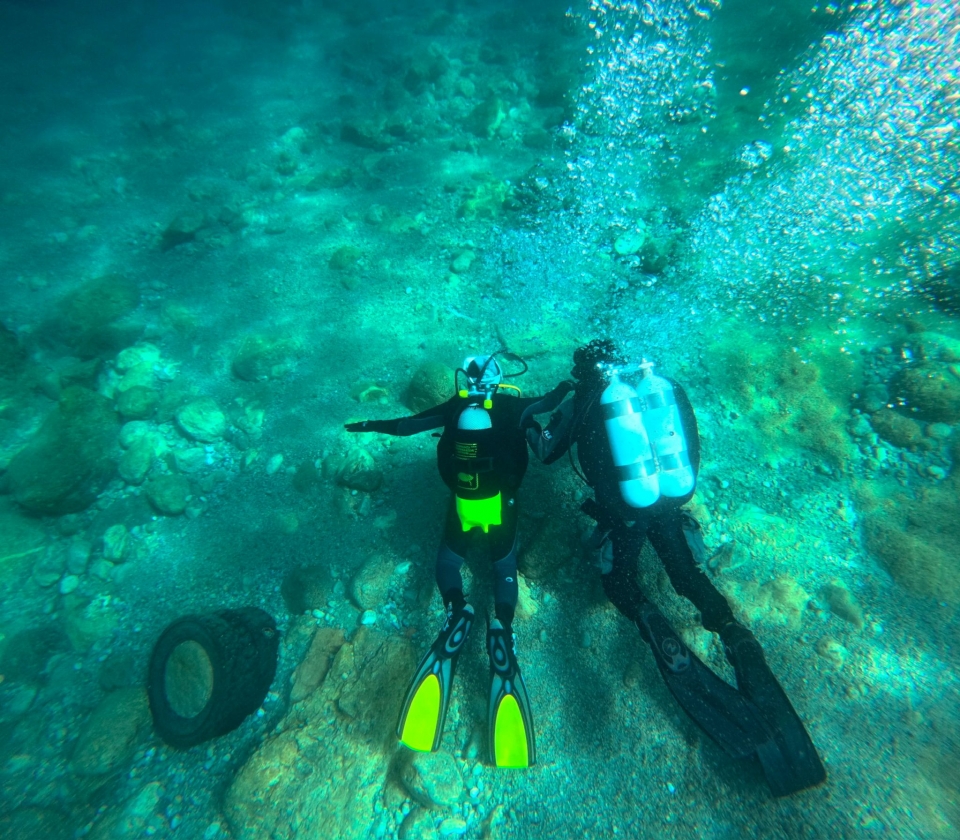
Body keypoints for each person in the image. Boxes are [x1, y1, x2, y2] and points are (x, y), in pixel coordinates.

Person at [525, 339, 826, 796]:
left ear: (583, 370)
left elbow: (546, 452)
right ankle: (733, 633)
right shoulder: (663, 391)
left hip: (624, 514)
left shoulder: (584, 399)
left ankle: (653, 623)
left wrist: (527, 420)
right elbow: (691, 444)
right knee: (687, 577)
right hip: (670, 503)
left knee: (622, 583)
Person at [345, 354, 571, 768]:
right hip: (504, 506)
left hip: (463, 508)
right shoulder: (512, 405)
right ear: (500, 381)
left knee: (448, 564)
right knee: (504, 567)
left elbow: (405, 426)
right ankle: (501, 624)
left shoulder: (454, 407)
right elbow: (549, 401)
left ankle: (456, 610)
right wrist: (571, 386)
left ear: (464, 381)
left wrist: (365, 425)